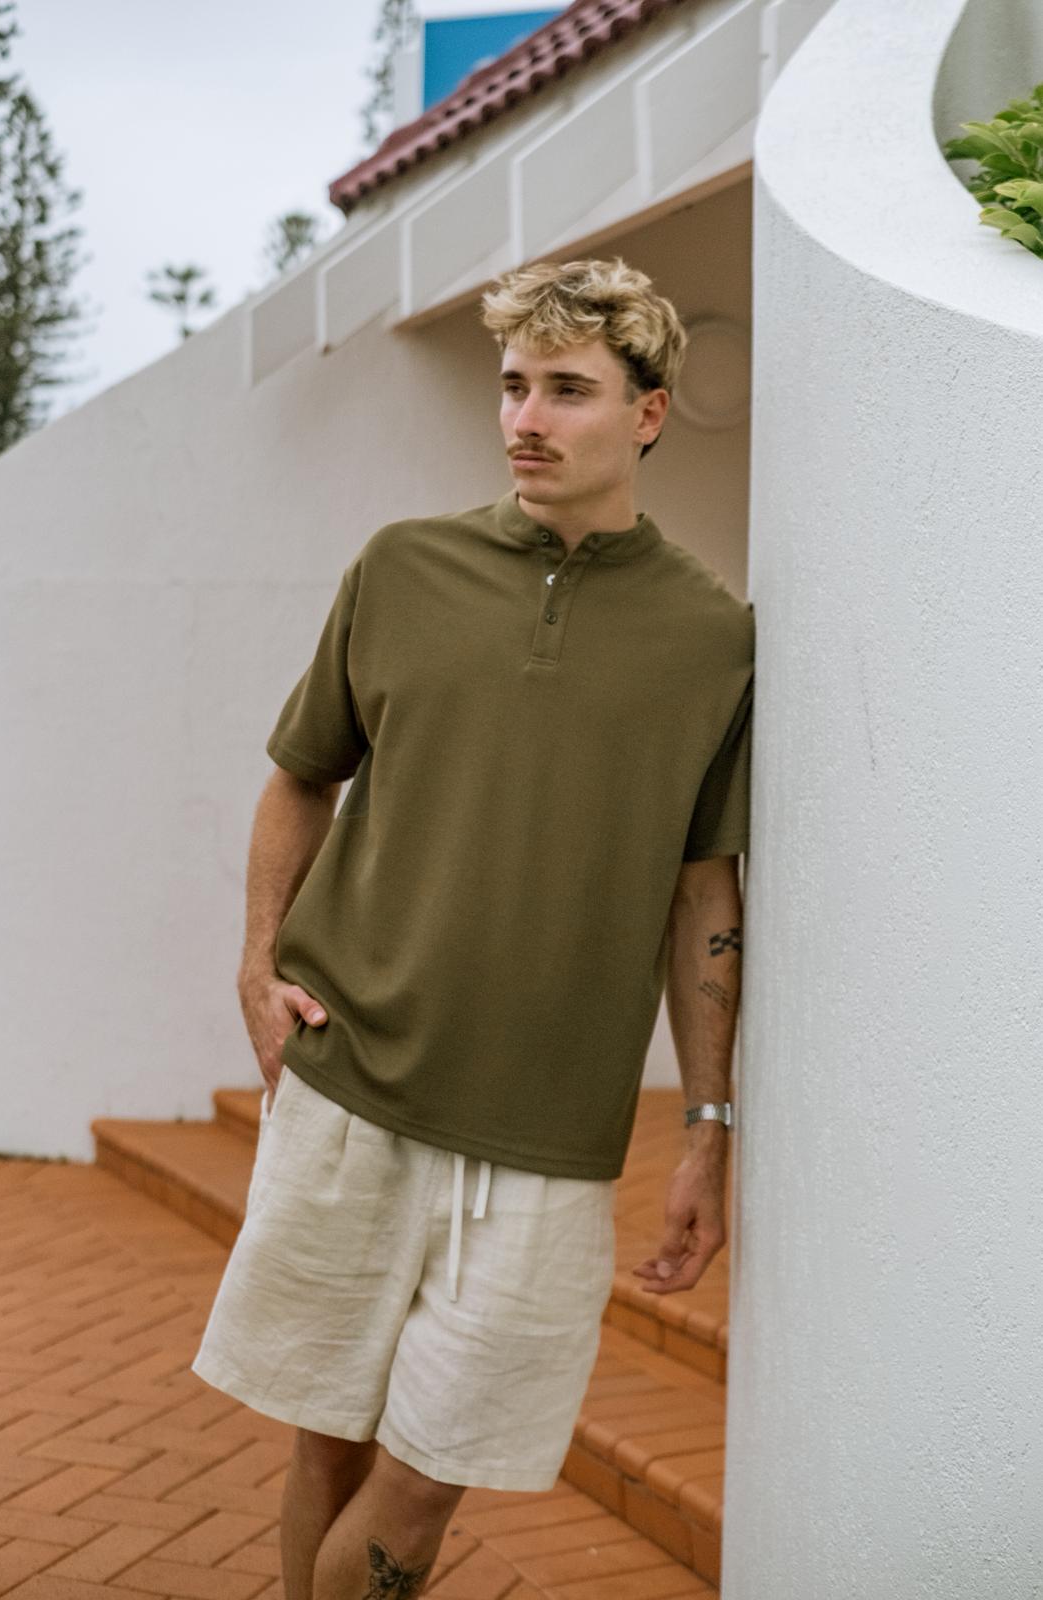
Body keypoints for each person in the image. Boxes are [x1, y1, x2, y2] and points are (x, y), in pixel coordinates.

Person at [191, 255, 754, 1600]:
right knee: (326, 1439)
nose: (525, 420)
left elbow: (701, 896)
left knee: (429, 1474)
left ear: (648, 413)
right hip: (352, 1087)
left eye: (567, 389)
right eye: (513, 386)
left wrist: (705, 1127)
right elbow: (301, 777)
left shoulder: (710, 638)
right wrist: (258, 967)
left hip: (548, 1138)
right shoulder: (402, 568)